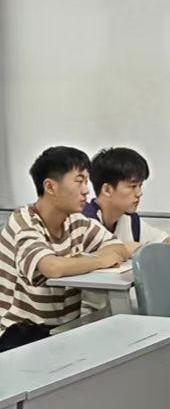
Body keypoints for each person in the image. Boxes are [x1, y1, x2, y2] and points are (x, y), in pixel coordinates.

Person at [0, 146, 132, 352]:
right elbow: (52, 267)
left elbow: (118, 248)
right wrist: (98, 261)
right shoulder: (23, 222)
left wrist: (85, 260)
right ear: (50, 187)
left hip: (63, 329)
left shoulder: (75, 221)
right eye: (79, 181)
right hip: (19, 333)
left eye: (87, 181)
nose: (86, 190)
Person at [86, 147, 170, 250]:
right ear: (107, 190)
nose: (139, 193)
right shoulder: (83, 223)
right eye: (132, 186)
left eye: (140, 185)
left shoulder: (131, 221)